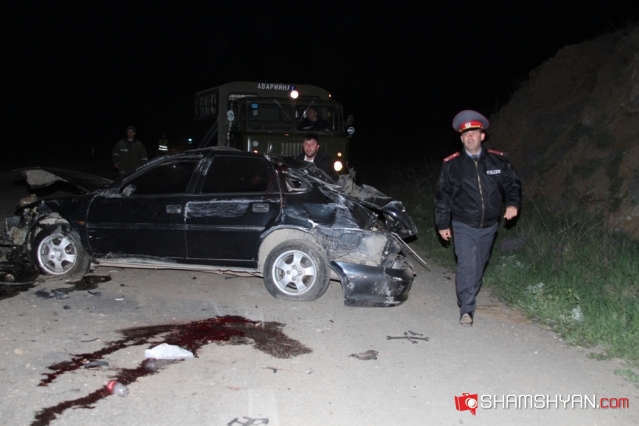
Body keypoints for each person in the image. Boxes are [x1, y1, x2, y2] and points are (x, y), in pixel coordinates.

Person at [435, 110, 521, 326]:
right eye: (466, 134)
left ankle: (466, 294)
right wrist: (443, 223)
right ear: (461, 139)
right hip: (463, 224)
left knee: (479, 267)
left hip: (490, 225)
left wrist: (512, 204)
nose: (470, 137)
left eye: (473, 133)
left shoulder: (497, 161)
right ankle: (467, 309)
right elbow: (443, 197)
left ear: (482, 136)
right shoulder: (452, 165)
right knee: (467, 265)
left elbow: (512, 184)